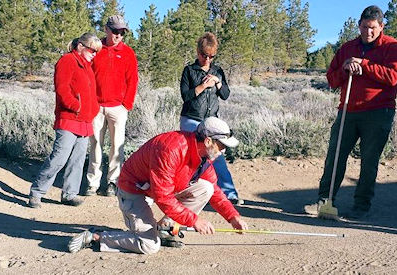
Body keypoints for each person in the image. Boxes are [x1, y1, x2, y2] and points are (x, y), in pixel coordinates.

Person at [68, 117, 248, 254]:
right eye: (222, 146)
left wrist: (233, 217)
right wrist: (194, 220)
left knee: (206, 188)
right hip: (134, 189)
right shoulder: (171, 149)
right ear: (208, 141)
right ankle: (96, 236)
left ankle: (165, 231)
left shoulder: (205, 157)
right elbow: (164, 197)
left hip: (158, 189)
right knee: (149, 245)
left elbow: (214, 190)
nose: (224, 151)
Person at [303, 5, 397, 219]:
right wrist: (345, 67)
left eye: (373, 28)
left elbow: (392, 77)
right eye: (365, 27)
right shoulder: (347, 48)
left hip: (378, 111)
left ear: (381, 26)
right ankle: (325, 200)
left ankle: (361, 205)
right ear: (359, 25)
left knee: (369, 159)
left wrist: (365, 65)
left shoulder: (392, 47)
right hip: (348, 110)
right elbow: (332, 80)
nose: (368, 32)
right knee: (335, 155)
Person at [28, 33, 102, 208]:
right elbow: (62, 89)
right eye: (92, 50)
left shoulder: (87, 65)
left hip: (84, 122)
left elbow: (91, 94)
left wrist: (93, 109)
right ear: (81, 47)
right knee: (59, 158)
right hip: (69, 119)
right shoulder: (67, 61)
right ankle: (37, 192)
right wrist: (77, 106)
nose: (94, 54)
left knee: (77, 160)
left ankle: (70, 194)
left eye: (96, 51)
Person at [179, 32, 243, 205]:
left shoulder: (218, 71)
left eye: (211, 56)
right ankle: (186, 191)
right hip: (191, 118)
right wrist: (202, 86)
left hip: (212, 121)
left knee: (217, 156)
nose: (207, 59)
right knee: (190, 156)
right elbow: (186, 96)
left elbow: (225, 95)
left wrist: (218, 82)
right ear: (198, 52)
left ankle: (229, 193)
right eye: (204, 55)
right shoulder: (189, 71)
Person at [86, 15, 138, 197]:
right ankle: (93, 182)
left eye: (122, 32)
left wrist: (126, 105)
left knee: (117, 146)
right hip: (96, 106)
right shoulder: (96, 49)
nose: (118, 35)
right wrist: (89, 101)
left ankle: (113, 182)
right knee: (95, 145)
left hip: (118, 107)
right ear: (106, 29)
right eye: (115, 31)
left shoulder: (128, 53)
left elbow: (132, 81)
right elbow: (87, 75)